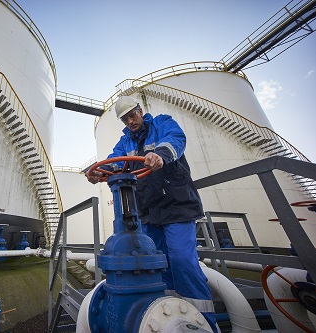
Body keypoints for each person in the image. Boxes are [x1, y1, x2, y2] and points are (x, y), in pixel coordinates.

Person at [85, 95, 220, 333]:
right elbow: (114, 161)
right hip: (147, 211)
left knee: (181, 260)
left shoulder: (162, 123)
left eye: (132, 115)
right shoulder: (125, 141)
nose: (130, 121)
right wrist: (98, 171)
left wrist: (161, 155)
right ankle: (168, 317)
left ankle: (205, 322)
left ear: (140, 110)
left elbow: (175, 139)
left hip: (176, 205)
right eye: (125, 119)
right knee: (159, 264)